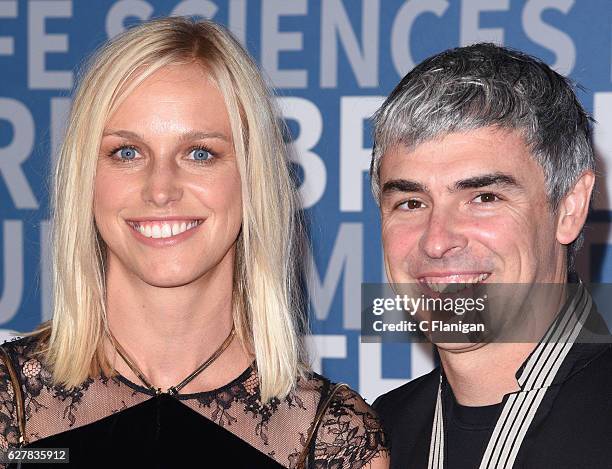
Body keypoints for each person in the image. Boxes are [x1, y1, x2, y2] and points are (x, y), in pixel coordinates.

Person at [0, 17, 388, 469]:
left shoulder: (330, 436)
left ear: (252, 181)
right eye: (127, 152)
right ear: (86, 180)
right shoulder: (12, 404)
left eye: (200, 153)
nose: (161, 189)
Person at [370, 43, 612, 468]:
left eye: (483, 197)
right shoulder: (373, 438)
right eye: (411, 202)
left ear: (569, 207)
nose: (437, 241)